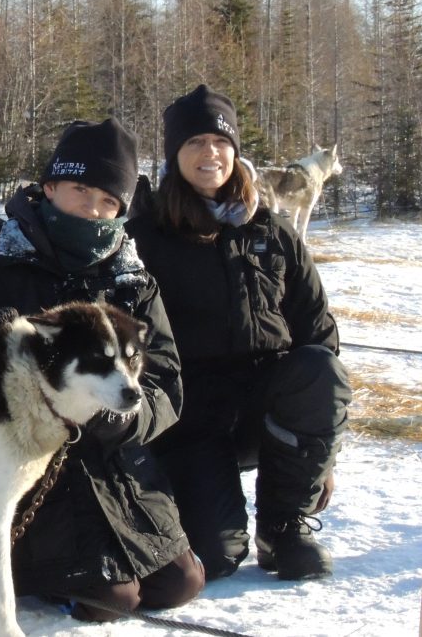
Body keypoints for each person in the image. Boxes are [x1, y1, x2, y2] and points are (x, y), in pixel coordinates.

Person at [0, 118, 204, 622]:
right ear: (49, 187)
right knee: (110, 601)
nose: (92, 210)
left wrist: (124, 420)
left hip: (115, 462)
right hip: (29, 465)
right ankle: (24, 566)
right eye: (80, 191)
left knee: (182, 583)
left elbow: (166, 379)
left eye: (108, 201)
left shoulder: (132, 281)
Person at [126, 84, 351, 582]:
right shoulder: (145, 238)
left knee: (318, 368)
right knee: (217, 556)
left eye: (221, 142)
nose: (210, 153)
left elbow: (317, 330)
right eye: (194, 143)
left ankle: (284, 526)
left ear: (236, 151)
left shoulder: (271, 231)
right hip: (189, 417)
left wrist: (323, 456)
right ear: (173, 155)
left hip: (265, 406)